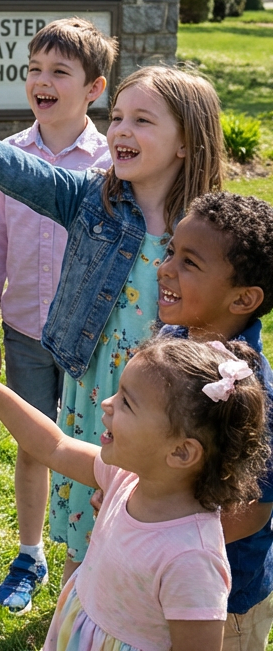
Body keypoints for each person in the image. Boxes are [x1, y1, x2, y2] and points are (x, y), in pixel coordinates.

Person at [0, 64, 224, 582]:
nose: (121, 131)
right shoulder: (94, 199)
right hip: (93, 389)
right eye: (116, 117)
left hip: (165, 400)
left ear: (187, 142)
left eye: (142, 120)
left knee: (153, 514)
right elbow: (26, 173)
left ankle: (135, 607)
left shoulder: (208, 230)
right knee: (85, 514)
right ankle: (75, 607)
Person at [0, 335, 270, 651]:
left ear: (181, 453)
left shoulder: (193, 560)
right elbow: (54, 446)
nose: (107, 403)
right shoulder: (126, 479)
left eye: (126, 402)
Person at [0, 18, 115, 611]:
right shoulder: (8, 158)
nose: (42, 81)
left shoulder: (112, 160)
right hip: (26, 330)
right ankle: (29, 553)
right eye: (34, 69)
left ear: (95, 88)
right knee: (34, 444)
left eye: (60, 71)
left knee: (96, 447)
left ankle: (88, 563)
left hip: (95, 336)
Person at [151, 192, 273, 650]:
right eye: (170, 252)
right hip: (161, 577)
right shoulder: (172, 337)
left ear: (243, 298)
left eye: (189, 263)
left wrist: (165, 535)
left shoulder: (252, 395)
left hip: (223, 600)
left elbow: (254, 510)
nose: (165, 268)